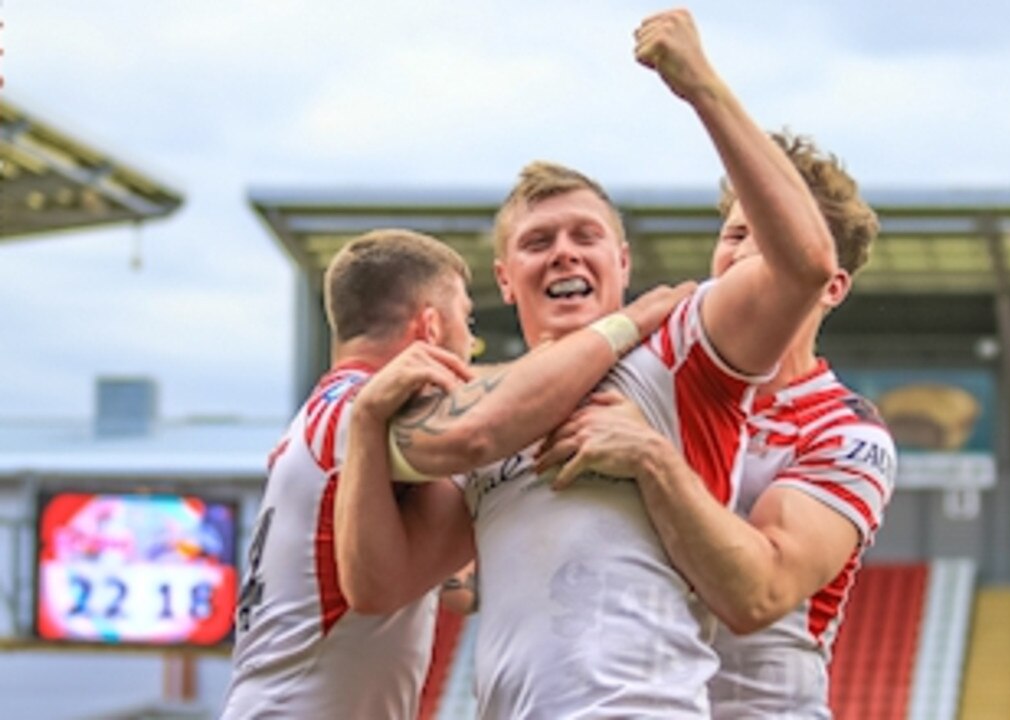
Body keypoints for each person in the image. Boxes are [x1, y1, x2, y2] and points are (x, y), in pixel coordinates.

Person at [338, 8, 842, 717]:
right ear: (506, 279)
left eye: (587, 236)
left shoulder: (680, 346)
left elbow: (807, 265)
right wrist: (365, 426)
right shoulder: (488, 405)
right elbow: (379, 587)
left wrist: (702, 88)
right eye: (539, 241)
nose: (565, 252)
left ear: (623, 261)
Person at [220, 228, 688, 719]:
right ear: (431, 327)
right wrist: (627, 325)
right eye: (466, 321)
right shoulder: (363, 410)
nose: (471, 343)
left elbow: (437, 562)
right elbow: (484, 428)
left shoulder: (321, 419)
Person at [537, 131, 895, 719]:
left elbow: (757, 595)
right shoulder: (659, 370)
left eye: (771, 238)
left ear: (828, 283)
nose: (742, 254)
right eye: (734, 234)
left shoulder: (848, 433)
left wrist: (654, 459)